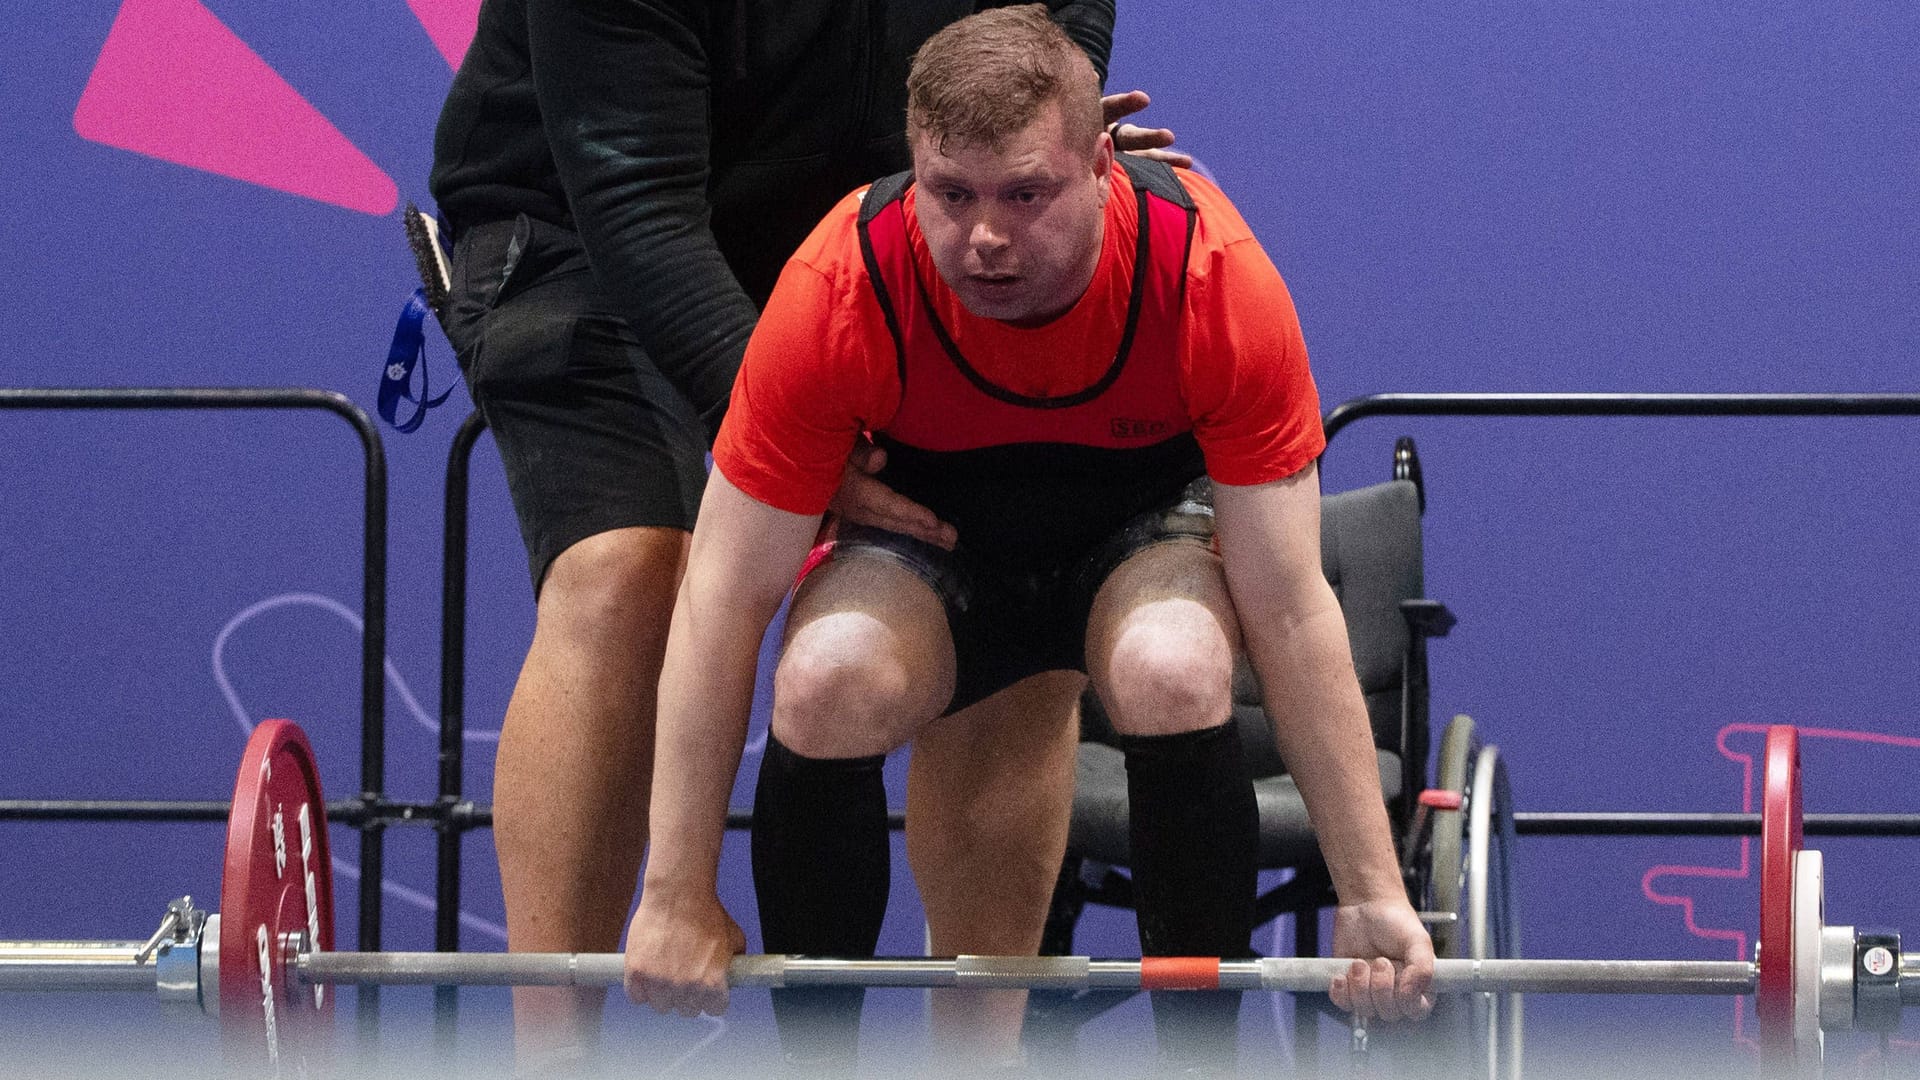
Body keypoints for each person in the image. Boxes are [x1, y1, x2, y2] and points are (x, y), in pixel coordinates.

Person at [623, 4, 1437, 1075]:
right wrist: (677, 893)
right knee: (821, 680)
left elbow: (1287, 605)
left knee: (1176, 666)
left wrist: (1374, 895)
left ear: (1103, 162)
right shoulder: (842, 283)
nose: (987, 237)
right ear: (912, 170)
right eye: (951, 196)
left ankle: (1204, 1065)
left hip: (1138, 543)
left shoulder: (1209, 276)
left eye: (1026, 193)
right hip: (940, 549)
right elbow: (723, 596)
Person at [426, 0, 1182, 1069]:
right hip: (583, 233)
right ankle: (552, 1058)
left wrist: (1031, 178)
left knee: (1007, 570)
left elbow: (1024, 78)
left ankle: (980, 1057)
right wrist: (804, 446)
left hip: (877, 222)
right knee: (633, 568)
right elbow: (639, 209)